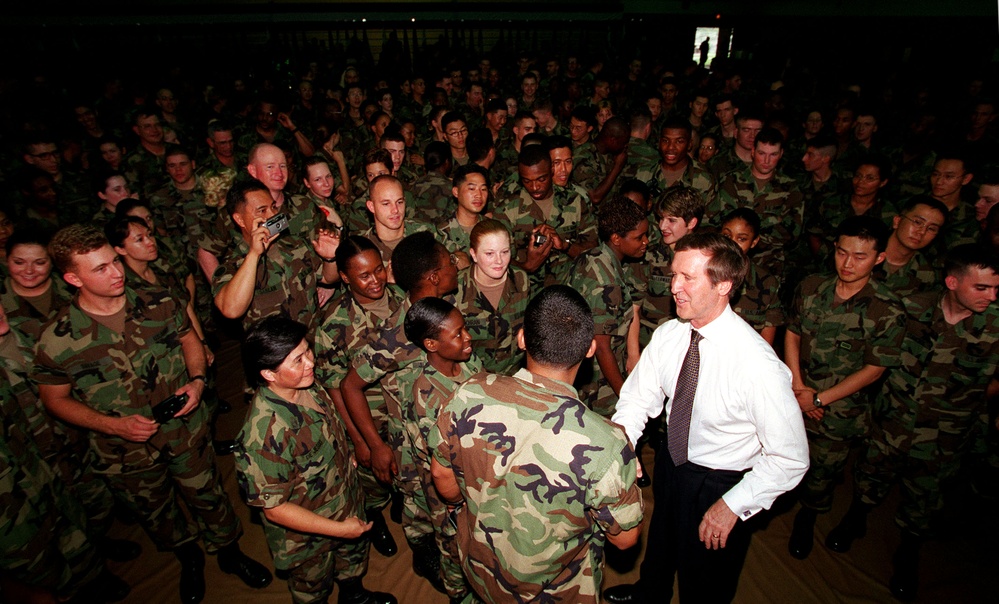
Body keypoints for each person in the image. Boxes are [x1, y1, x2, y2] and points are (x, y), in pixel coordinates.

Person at [33, 224, 271, 604]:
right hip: (124, 450)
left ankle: (229, 552)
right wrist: (114, 425)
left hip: (183, 429)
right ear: (72, 278)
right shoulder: (57, 339)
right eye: (100, 269)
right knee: (157, 510)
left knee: (208, 493)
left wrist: (196, 380)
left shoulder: (158, 300)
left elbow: (190, 341)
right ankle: (187, 555)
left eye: (115, 261)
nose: (116, 273)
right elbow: (55, 399)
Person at [604, 233, 809, 604]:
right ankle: (650, 594)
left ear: (723, 286)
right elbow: (637, 400)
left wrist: (733, 504)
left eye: (687, 278)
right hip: (672, 461)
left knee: (706, 582)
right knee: (661, 545)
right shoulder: (670, 335)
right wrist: (623, 449)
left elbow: (790, 458)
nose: (674, 287)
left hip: (721, 483)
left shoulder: (757, 366)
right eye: (674, 275)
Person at [432, 285, 644, 604]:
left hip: (481, 572)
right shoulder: (606, 443)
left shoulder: (468, 394)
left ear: (521, 339)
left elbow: (442, 477)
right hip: (556, 592)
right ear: (589, 349)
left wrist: (459, 503)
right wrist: (628, 477)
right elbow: (626, 540)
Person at [842, 244, 999, 600]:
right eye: (982, 288)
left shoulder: (995, 325)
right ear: (952, 282)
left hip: (946, 434)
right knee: (870, 475)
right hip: (891, 420)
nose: (991, 297)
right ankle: (856, 517)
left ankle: (909, 550)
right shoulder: (909, 308)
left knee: (925, 497)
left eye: (995, 289)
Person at [236, 317, 396, 604]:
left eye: (307, 350)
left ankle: (354, 595)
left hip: (344, 501)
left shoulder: (308, 386)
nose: (310, 362)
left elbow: (326, 429)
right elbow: (275, 509)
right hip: (309, 539)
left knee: (351, 568)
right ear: (269, 374)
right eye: (298, 360)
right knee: (313, 591)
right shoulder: (263, 435)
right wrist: (341, 530)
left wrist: (346, 454)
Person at [338, 231, 460, 593]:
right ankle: (426, 557)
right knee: (425, 510)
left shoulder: (445, 312)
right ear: (433, 277)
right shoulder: (399, 334)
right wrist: (375, 446)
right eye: (449, 262)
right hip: (414, 445)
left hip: (448, 433)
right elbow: (349, 386)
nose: (456, 266)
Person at [784, 216, 907, 561]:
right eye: (841, 252)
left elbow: (876, 368)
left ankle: (806, 519)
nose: (848, 263)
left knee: (822, 470)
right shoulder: (811, 286)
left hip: (839, 409)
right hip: (795, 392)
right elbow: (792, 331)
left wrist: (819, 398)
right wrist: (798, 385)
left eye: (860, 256)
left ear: (879, 258)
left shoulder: (887, 308)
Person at [314, 235, 403, 560]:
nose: (375, 280)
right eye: (364, 275)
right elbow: (336, 389)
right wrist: (363, 441)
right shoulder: (334, 324)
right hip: (372, 421)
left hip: (408, 414)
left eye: (379, 270)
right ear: (346, 277)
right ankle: (375, 513)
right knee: (373, 480)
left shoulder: (403, 301)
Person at [403, 297, 481, 602]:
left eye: (464, 329)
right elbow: (441, 462)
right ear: (432, 345)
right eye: (458, 334)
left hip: (476, 476)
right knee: (453, 545)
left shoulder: (470, 363)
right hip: (447, 487)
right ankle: (458, 594)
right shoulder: (427, 397)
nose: (468, 338)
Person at [213, 179, 341, 333]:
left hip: (314, 341)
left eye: (273, 207)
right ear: (239, 219)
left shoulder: (297, 245)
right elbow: (231, 310)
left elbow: (328, 278)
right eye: (262, 210)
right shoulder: (232, 265)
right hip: (277, 354)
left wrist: (330, 258)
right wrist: (254, 254)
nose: (273, 215)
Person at [569, 196, 648, 417]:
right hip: (599, 385)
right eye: (638, 237)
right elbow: (602, 346)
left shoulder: (593, 257)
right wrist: (625, 397)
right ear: (616, 238)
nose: (645, 242)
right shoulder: (607, 281)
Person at [454, 219, 530, 375]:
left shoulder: (520, 279)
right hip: (474, 380)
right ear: (473, 254)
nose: (499, 261)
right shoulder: (456, 289)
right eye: (489, 253)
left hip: (514, 376)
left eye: (505, 252)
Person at [719, 208, 785, 345]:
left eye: (741, 239)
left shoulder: (767, 284)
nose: (732, 244)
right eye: (727, 236)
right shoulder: (700, 272)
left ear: (754, 242)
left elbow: (765, 347)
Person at [1, 230, 73, 340]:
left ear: (52, 262)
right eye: (19, 262)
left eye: (39, 263)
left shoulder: (74, 288)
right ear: (7, 261)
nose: (29, 271)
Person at [873, 196, 947, 297]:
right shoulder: (863, 251)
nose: (921, 232)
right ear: (897, 221)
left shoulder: (928, 275)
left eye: (931, 229)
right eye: (917, 222)